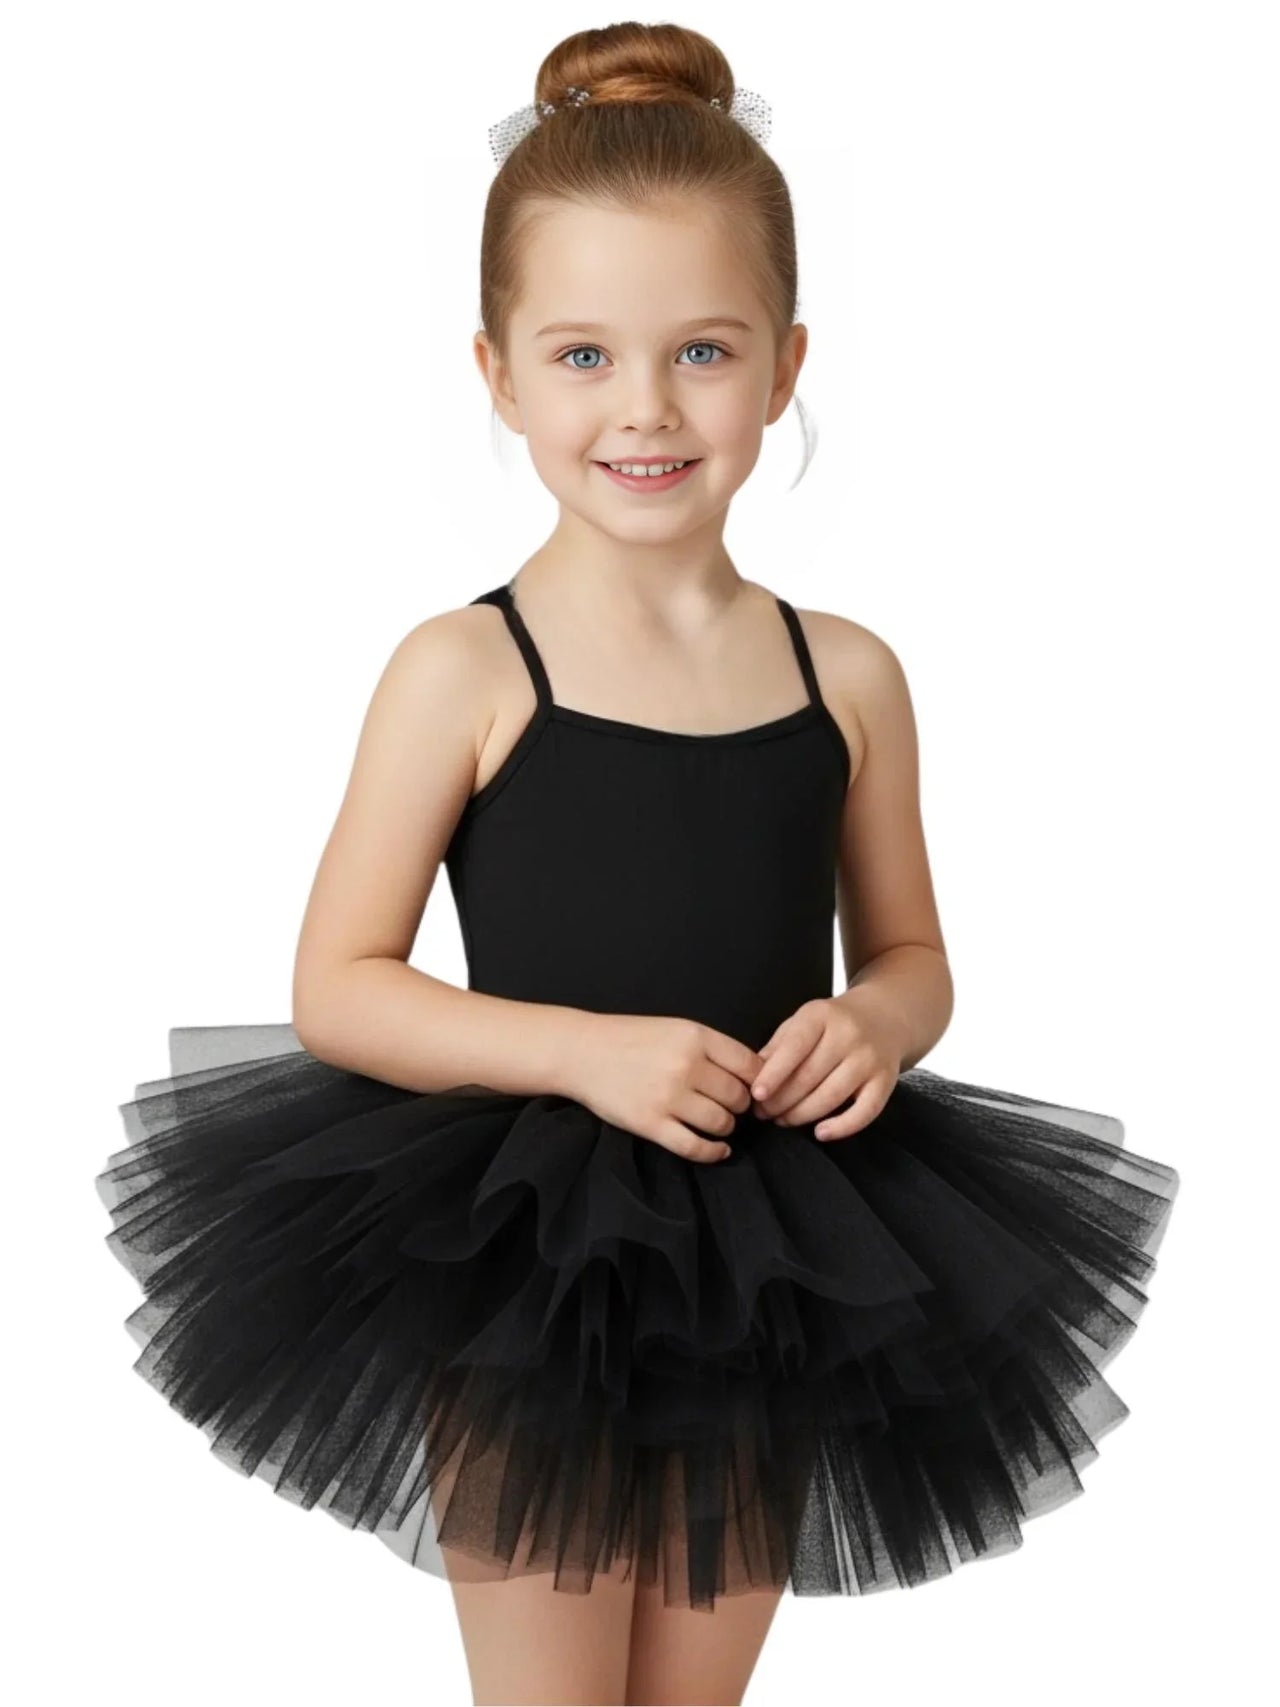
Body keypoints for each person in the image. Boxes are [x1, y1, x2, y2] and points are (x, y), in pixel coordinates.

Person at [96, 20, 1182, 1707]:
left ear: (787, 363)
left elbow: (913, 956)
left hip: (781, 1252)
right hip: (519, 1258)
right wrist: (582, 1054)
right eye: (585, 355)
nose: (647, 408)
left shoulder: (848, 674)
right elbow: (339, 989)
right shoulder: (463, 670)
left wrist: (878, 1026)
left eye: (703, 351)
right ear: (498, 373)